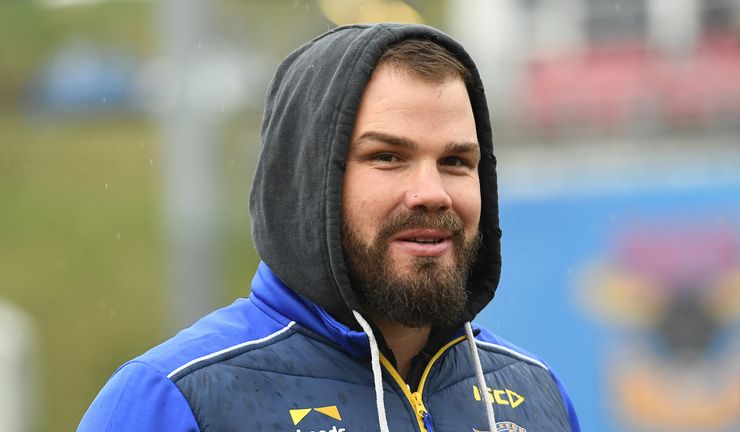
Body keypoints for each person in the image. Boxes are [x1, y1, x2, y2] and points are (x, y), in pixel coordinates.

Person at [78, 23, 579, 432]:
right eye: (387, 156)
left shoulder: (537, 397)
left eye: (454, 161)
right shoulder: (177, 397)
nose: (432, 192)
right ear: (307, 180)